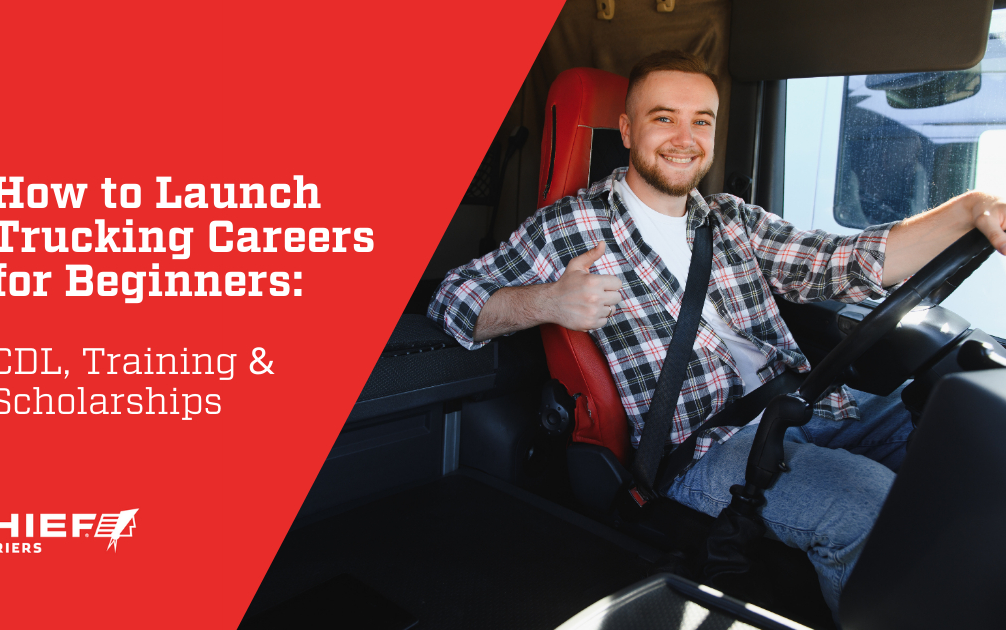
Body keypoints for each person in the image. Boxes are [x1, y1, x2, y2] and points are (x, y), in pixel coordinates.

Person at [427, 50, 1006, 618]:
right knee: (868, 506)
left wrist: (972, 210)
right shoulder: (571, 224)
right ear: (626, 130)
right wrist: (547, 301)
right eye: (663, 118)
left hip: (809, 405)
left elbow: (841, 260)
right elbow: (452, 301)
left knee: (971, 435)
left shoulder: (731, 219)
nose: (685, 137)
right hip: (708, 449)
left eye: (700, 120)